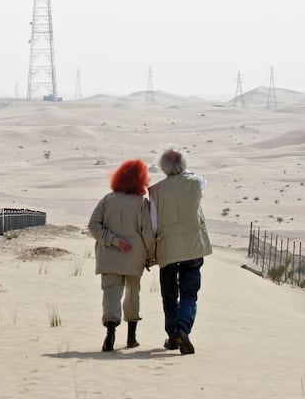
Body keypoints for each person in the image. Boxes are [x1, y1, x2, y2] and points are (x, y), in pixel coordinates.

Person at [148, 148, 212, 355]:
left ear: (163, 167)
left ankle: (173, 334)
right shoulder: (195, 183)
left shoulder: (156, 190)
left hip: (167, 247)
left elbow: (154, 223)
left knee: (169, 293)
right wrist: (183, 171)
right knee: (189, 292)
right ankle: (182, 328)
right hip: (192, 245)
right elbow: (200, 178)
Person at [88, 159, 155, 352]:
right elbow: (148, 233)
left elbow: (93, 226)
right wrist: (150, 256)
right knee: (132, 295)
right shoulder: (142, 204)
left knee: (110, 294)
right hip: (135, 255)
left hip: (109, 256)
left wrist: (114, 241)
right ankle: (131, 338)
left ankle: (110, 335)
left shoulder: (107, 199)